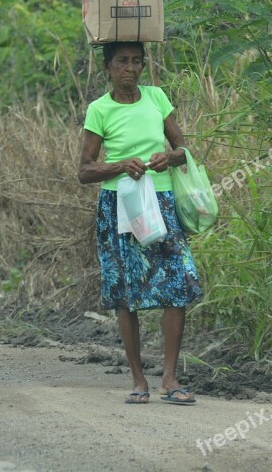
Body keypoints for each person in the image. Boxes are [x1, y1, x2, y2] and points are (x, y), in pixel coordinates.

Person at [78, 41, 202, 405]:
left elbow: (183, 149)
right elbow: (84, 170)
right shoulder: (99, 110)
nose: (130, 68)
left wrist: (169, 157)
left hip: (161, 203)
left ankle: (169, 378)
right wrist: (119, 165)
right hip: (120, 206)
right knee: (125, 292)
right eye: (122, 62)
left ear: (144, 66)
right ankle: (138, 381)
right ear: (108, 66)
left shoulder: (157, 98)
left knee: (177, 283)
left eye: (136, 61)